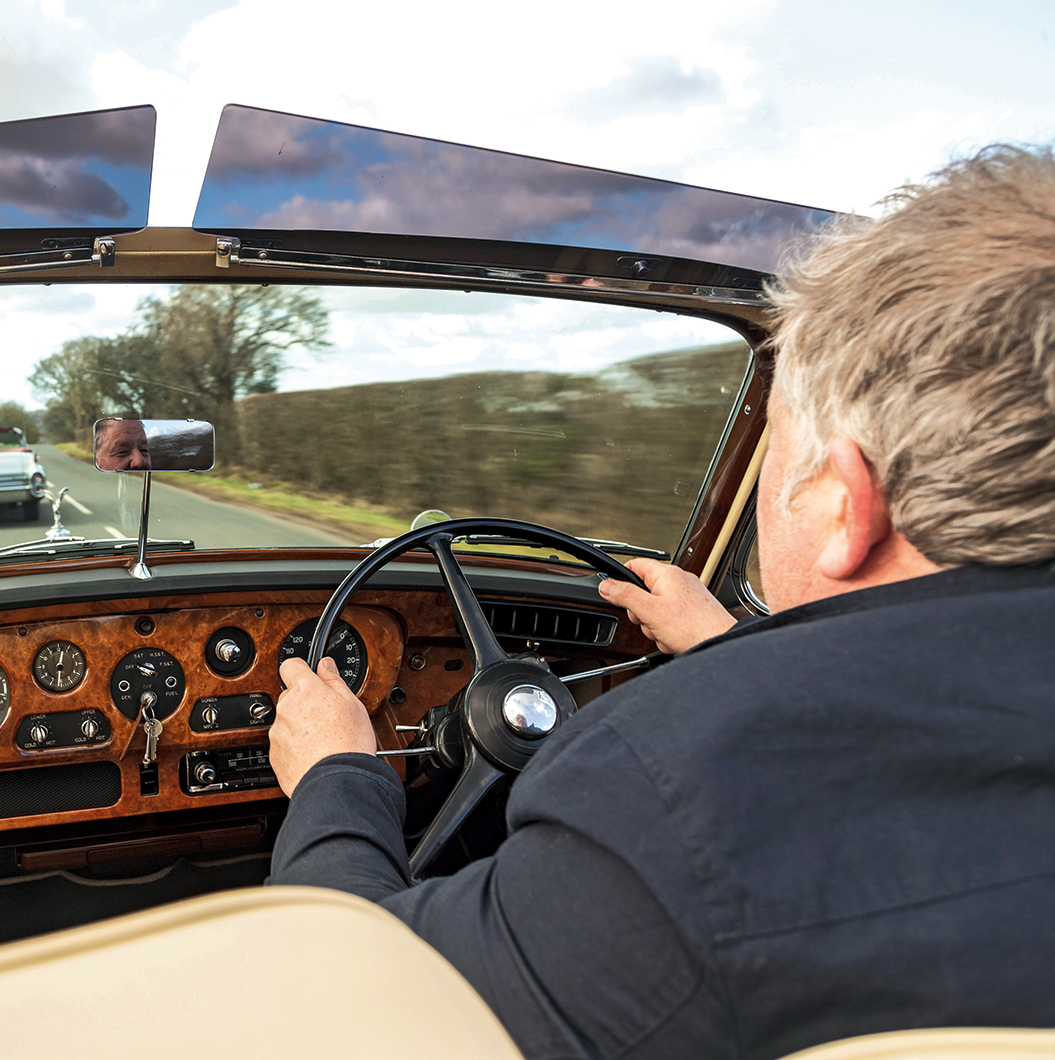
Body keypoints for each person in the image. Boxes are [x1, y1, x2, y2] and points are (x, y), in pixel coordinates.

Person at [267, 145, 1055, 1059]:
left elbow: (364, 1012)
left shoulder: (671, 802)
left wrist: (336, 779)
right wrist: (728, 646)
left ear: (848, 504)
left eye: (775, 460)